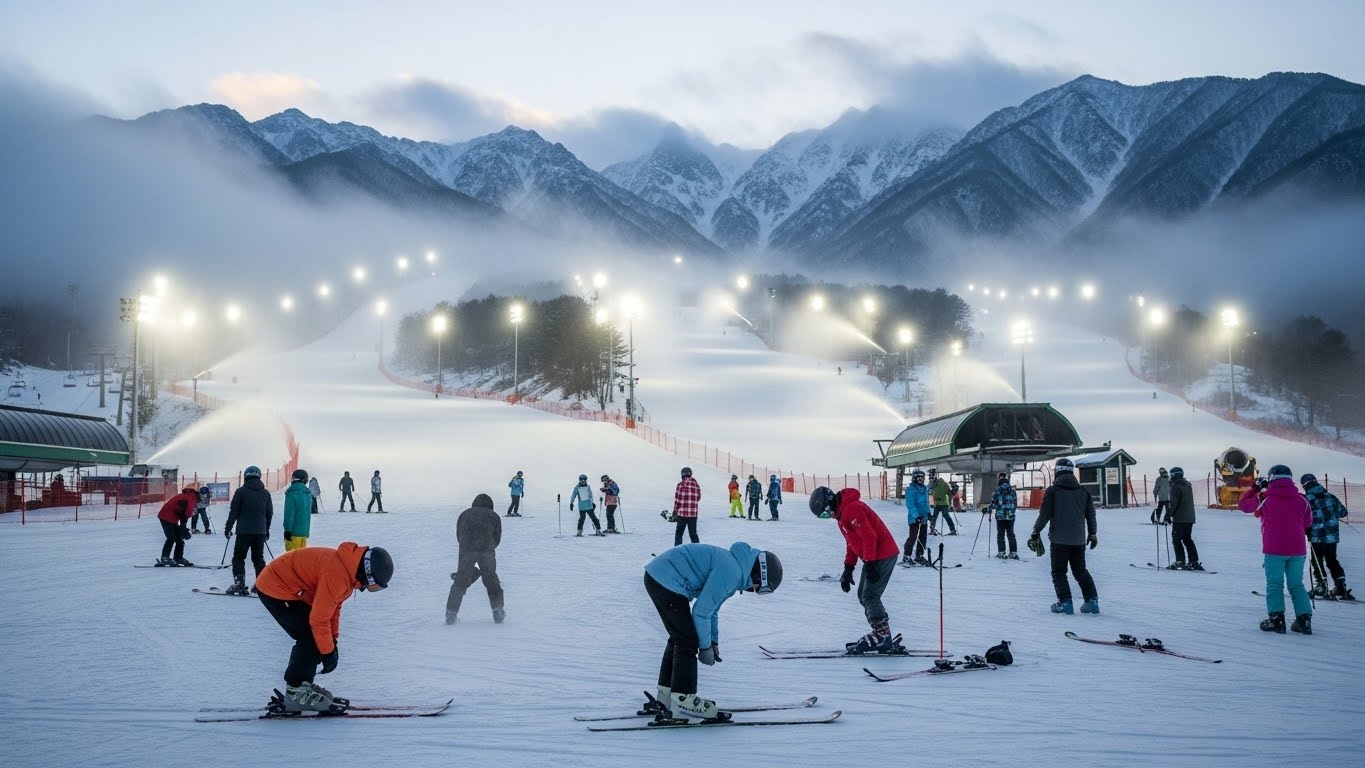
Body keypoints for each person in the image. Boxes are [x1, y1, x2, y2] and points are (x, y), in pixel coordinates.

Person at [643, 541, 782, 720]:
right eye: (761, 588)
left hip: (659, 576)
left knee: (680, 636)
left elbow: (712, 609)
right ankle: (683, 700)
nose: (754, 591)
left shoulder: (733, 567)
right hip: (666, 580)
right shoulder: (731, 572)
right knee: (687, 639)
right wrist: (704, 647)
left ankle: (666, 697)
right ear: (759, 574)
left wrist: (713, 642)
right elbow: (701, 612)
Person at [256, 542, 393, 712]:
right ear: (368, 575)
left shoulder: (347, 570)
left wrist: (332, 642)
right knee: (309, 636)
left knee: (316, 637)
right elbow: (319, 620)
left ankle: (302, 686)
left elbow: (333, 607)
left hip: (289, 586)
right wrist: (328, 653)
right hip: (275, 587)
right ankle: (295, 693)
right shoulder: (338, 575)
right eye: (372, 586)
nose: (365, 588)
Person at [810, 485, 902, 653]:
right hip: (874, 556)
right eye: (824, 516)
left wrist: (870, 563)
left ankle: (882, 635)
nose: (829, 516)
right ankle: (882, 632)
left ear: (829, 502)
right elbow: (852, 542)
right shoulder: (841, 516)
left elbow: (869, 536)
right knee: (863, 595)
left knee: (870, 595)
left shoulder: (852, 509)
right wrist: (848, 568)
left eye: (825, 513)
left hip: (883, 554)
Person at [1241, 465, 1313, 634]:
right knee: (1296, 584)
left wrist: (1255, 488)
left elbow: (1244, 506)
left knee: (1275, 584)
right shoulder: (1302, 500)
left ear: (1271, 478)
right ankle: (1304, 620)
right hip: (1297, 550)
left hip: (1274, 549)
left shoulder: (1264, 498)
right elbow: (1308, 522)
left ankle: (1277, 619)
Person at [1028, 458, 1099, 615]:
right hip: (1079, 540)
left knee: (1059, 572)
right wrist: (1092, 534)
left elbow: (1044, 514)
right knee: (1080, 570)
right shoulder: (1083, 491)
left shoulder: (1053, 491)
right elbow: (1091, 515)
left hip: (1059, 540)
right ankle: (1092, 601)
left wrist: (1036, 531)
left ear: (1057, 472)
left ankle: (1065, 602)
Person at [446, 493, 505, 624]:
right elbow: (497, 537)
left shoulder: (464, 514)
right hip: (486, 551)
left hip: (467, 551)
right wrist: (488, 547)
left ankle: (451, 612)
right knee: (491, 579)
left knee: (461, 580)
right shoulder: (493, 516)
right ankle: (498, 610)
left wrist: (466, 547)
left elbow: (459, 535)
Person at [1302, 474, 1353, 600]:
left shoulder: (1307, 499)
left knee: (1317, 560)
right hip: (1332, 536)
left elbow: (1303, 516)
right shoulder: (1330, 496)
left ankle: (1321, 586)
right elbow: (1343, 512)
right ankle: (1340, 587)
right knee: (1332, 560)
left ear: (1305, 485)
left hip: (1316, 536)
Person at [224, 465, 273, 596]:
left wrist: (228, 528)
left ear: (246, 476)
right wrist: (266, 530)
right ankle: (261, 585)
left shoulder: (241, 492)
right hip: (260, 532)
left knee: (239, 557)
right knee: (258, 558)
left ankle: (239, 583)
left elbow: (234, 512)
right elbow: (269, 513)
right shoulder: (265, 493)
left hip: (244, 532)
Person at [1166, 467, 1201, 569]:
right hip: (1189, 517)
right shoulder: (1187, 485)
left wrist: (1168, 515)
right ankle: (1193, 561)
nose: (1170, 477)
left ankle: (1180, 561)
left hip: (1180, 518)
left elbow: (1174, 503)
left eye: (1172, 475)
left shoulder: (1176, 487)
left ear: (1176, 475)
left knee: (1176, 539)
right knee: (1187, 539)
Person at [155, 486, 199, 566]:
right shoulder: (190, 499)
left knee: (179, 540)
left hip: (172, 518)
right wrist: (183, 528)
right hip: (166, 517)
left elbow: (182, 513)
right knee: (171, 538)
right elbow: (183, 513)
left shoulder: (190, 497)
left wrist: (183, 528)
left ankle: (178, 558)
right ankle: (165, 558)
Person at [902, 470, 931, 565]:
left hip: (923, 516)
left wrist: (928, 513)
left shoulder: (924, 489)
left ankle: (919, 555)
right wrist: (916, 516)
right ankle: (907, 556)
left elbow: (926, 503)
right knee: (913, 537)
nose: (921, 479)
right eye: (919, 477)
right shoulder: (911, 489)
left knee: (923, 537)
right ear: (914, 478)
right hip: (914, 518)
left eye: (922, 477)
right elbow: (910, 504)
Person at [990, 472, 1019, 559]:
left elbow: (993, 504)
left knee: (1001, 534)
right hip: (1010, 516)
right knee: (1011, 534)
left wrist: (987, 509)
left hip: (1000, 517)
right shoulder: (1013, 491)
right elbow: (1015, 504)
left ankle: (1002, 552)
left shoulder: (997, 491)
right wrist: (1011, 511)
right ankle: (1013, 553)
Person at [283, 469, 313, 552]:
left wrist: (288, 530)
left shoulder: (292, 493)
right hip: (304, 533)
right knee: (301, 558)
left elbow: (289, 514)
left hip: (293, 533)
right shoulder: (307, 494)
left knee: (291, 557)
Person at [672, 467, 701, 546]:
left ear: (682, 475)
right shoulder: (696, 485)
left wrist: (675, 511)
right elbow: (698, 498)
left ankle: (677, 551)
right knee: (693, 534)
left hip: (681, 514)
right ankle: (697, 551)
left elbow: (677, 500)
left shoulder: (679, 485)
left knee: (679, 533)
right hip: (693, 514)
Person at [928, 469, 957, 535]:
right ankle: (932, 530)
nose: (931, 479)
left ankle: (953, 530)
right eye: (930, 477)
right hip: (937, 504)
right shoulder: (931, 485)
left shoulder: (942, 483)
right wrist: (932, 503)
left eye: (932, 477)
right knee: (934, 517)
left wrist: (950, 503)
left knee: (945, 516)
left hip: (943, 503)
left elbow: (949, 493)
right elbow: (930, 493)